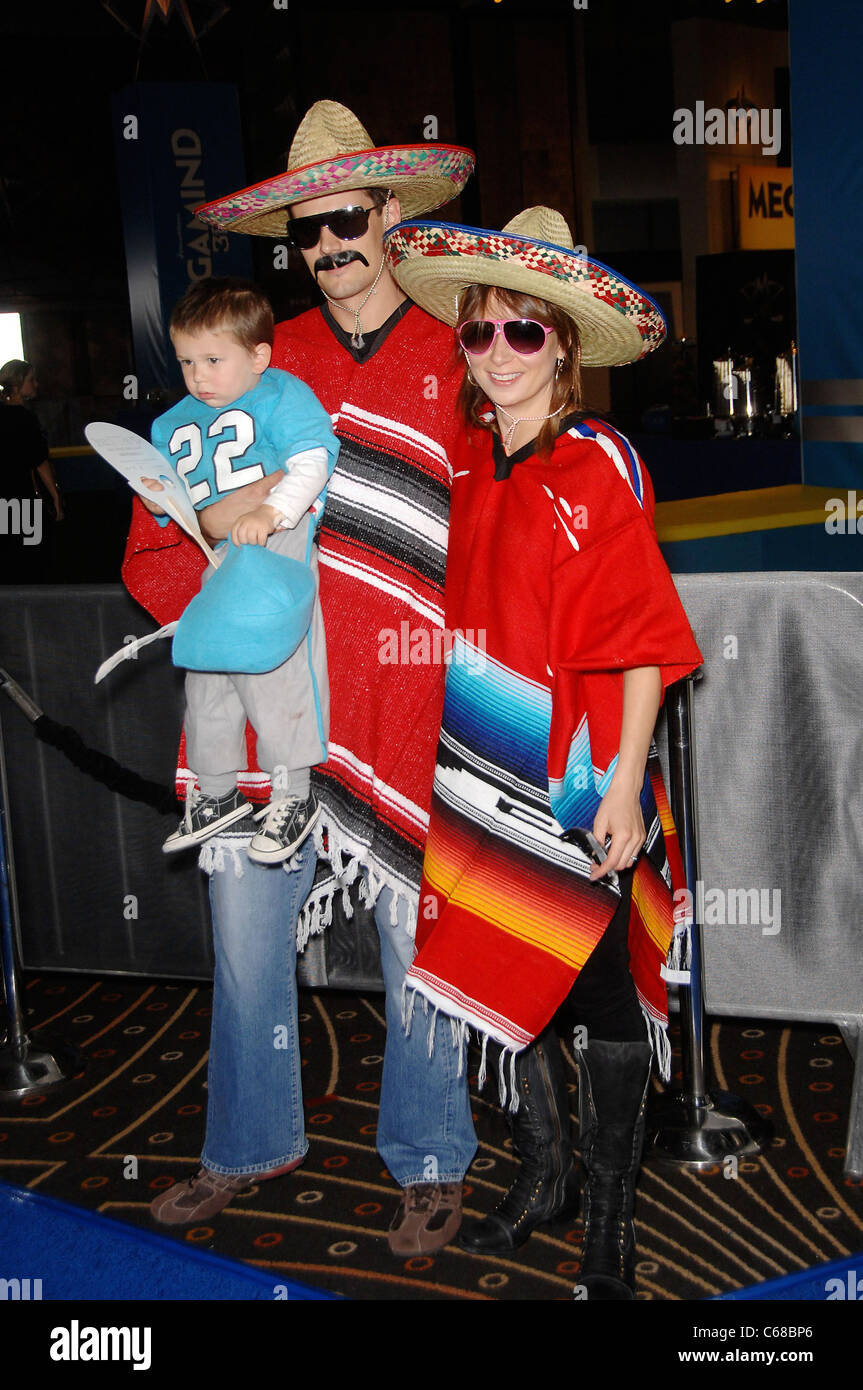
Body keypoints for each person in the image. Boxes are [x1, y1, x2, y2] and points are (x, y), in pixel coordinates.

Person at [121, 101, 479, 1254]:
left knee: (414, 942)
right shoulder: (244, 361)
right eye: (307, 231)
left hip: (407, 703)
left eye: (347, 221)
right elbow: (151, 548)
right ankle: (245, 1142)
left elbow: (494, 539)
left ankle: (428, 1156)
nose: (328, 247)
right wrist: (218, 596)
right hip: (262, 711)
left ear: (391, 219)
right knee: (240, 936)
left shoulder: (458, 351)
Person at [384, 206, 703, 1296]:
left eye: (525, 333)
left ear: (563, 344)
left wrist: (622, 787)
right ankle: (545, 1174)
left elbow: (645, 642)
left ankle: (608, 1220)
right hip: (478, 775)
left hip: (579, 776)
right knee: (495, 968)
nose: (500, 355)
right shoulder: (469, 458)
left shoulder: (597, 460)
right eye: (480, 334)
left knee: (604, 995)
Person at [139, 277, 339, 862]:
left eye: (212, 359)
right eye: (185, 361)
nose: (198, 375)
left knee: (274, 671)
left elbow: (312, 458)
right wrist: (160, 499)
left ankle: (292, 792)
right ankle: (217, 792)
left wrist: (274, 510)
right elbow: (179, 508)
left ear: (259, 356)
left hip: (276, 548)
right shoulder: (173, 421)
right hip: (221, 557)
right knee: (208, 669)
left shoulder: (279, 394)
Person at [0, 360, 63, 583]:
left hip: (4, 501)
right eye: (31, 380)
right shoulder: (24, 418)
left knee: (9, 560)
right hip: (24, 499)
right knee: (33, 560)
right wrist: (55, 496)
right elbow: (39, 461)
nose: (36, 384)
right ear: (18, 384)